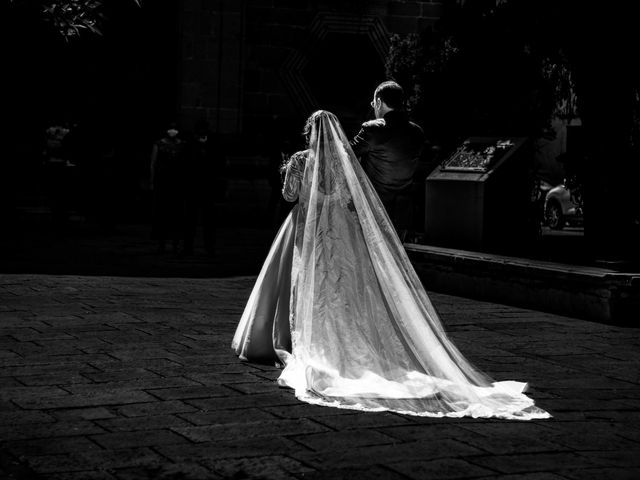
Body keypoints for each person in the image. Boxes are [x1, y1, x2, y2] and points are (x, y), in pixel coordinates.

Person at [232, 110, 550, 420]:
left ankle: (290, 337)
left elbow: (289, 195)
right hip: (340, 230)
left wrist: (288, 170)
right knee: (342, 287)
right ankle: (342, 340)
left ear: (308, 134)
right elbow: (346, 198)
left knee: (300, 282)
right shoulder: (343, 164)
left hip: (305, 226)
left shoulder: (302, 160)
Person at [350, 81, 426, 241]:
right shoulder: (417, 132)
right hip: (402, 214)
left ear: (378, 102)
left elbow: (345, 154)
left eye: (373, 103)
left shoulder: (373, 129)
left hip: (374, 211)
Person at [183, 120, 219, 256]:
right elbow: (186, 165)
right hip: (194, 187)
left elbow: (217, 164)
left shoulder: (212, 146)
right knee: (190, 220)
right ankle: (189, 247)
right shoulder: (191, 146)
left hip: (206, 187)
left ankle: (208, 248)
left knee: (207, 221)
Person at [150, 122, 185, 253]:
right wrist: (152, 181)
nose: (172, 131)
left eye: (174, 129)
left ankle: (175, 242)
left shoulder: (182, 145)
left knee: (176, 214)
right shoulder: (159, 144)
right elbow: (153, 163)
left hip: (176, 184)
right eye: (170, 129)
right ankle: (161, 243)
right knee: (161, 214)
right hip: (162, 183)